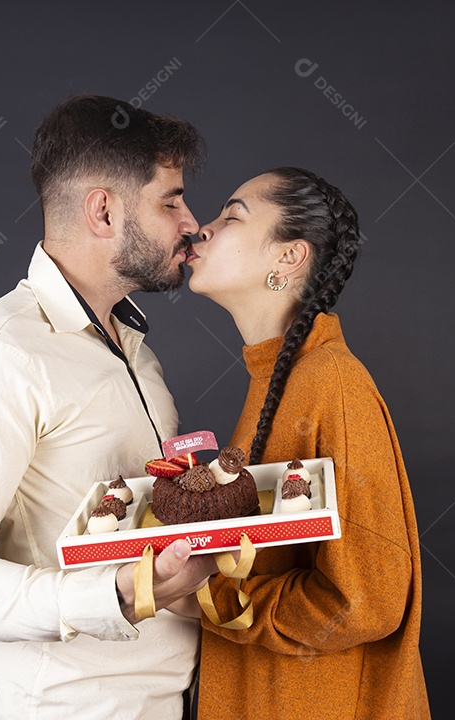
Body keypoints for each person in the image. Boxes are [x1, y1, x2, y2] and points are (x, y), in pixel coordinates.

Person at [0, 94, 219, 719]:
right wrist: (116, 595)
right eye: (170, 200)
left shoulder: (134, 349)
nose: (190, 223)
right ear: (103, 210)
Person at [184, 167, 432, 718]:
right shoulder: (275, 378)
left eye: (231, 216)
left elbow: (365, 602)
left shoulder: (332, 384)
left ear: (288, 258)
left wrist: (204, 598)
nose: (201, 228)